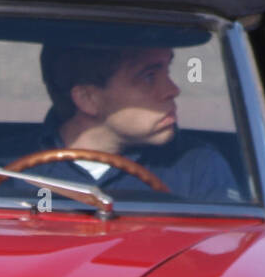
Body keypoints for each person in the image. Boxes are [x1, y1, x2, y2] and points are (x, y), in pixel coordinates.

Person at [24, 43, 243, 202]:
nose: (173, 90)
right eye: (148, 76)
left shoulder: (197, 166)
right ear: (88, 99)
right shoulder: (6, 169)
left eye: (166, 70)